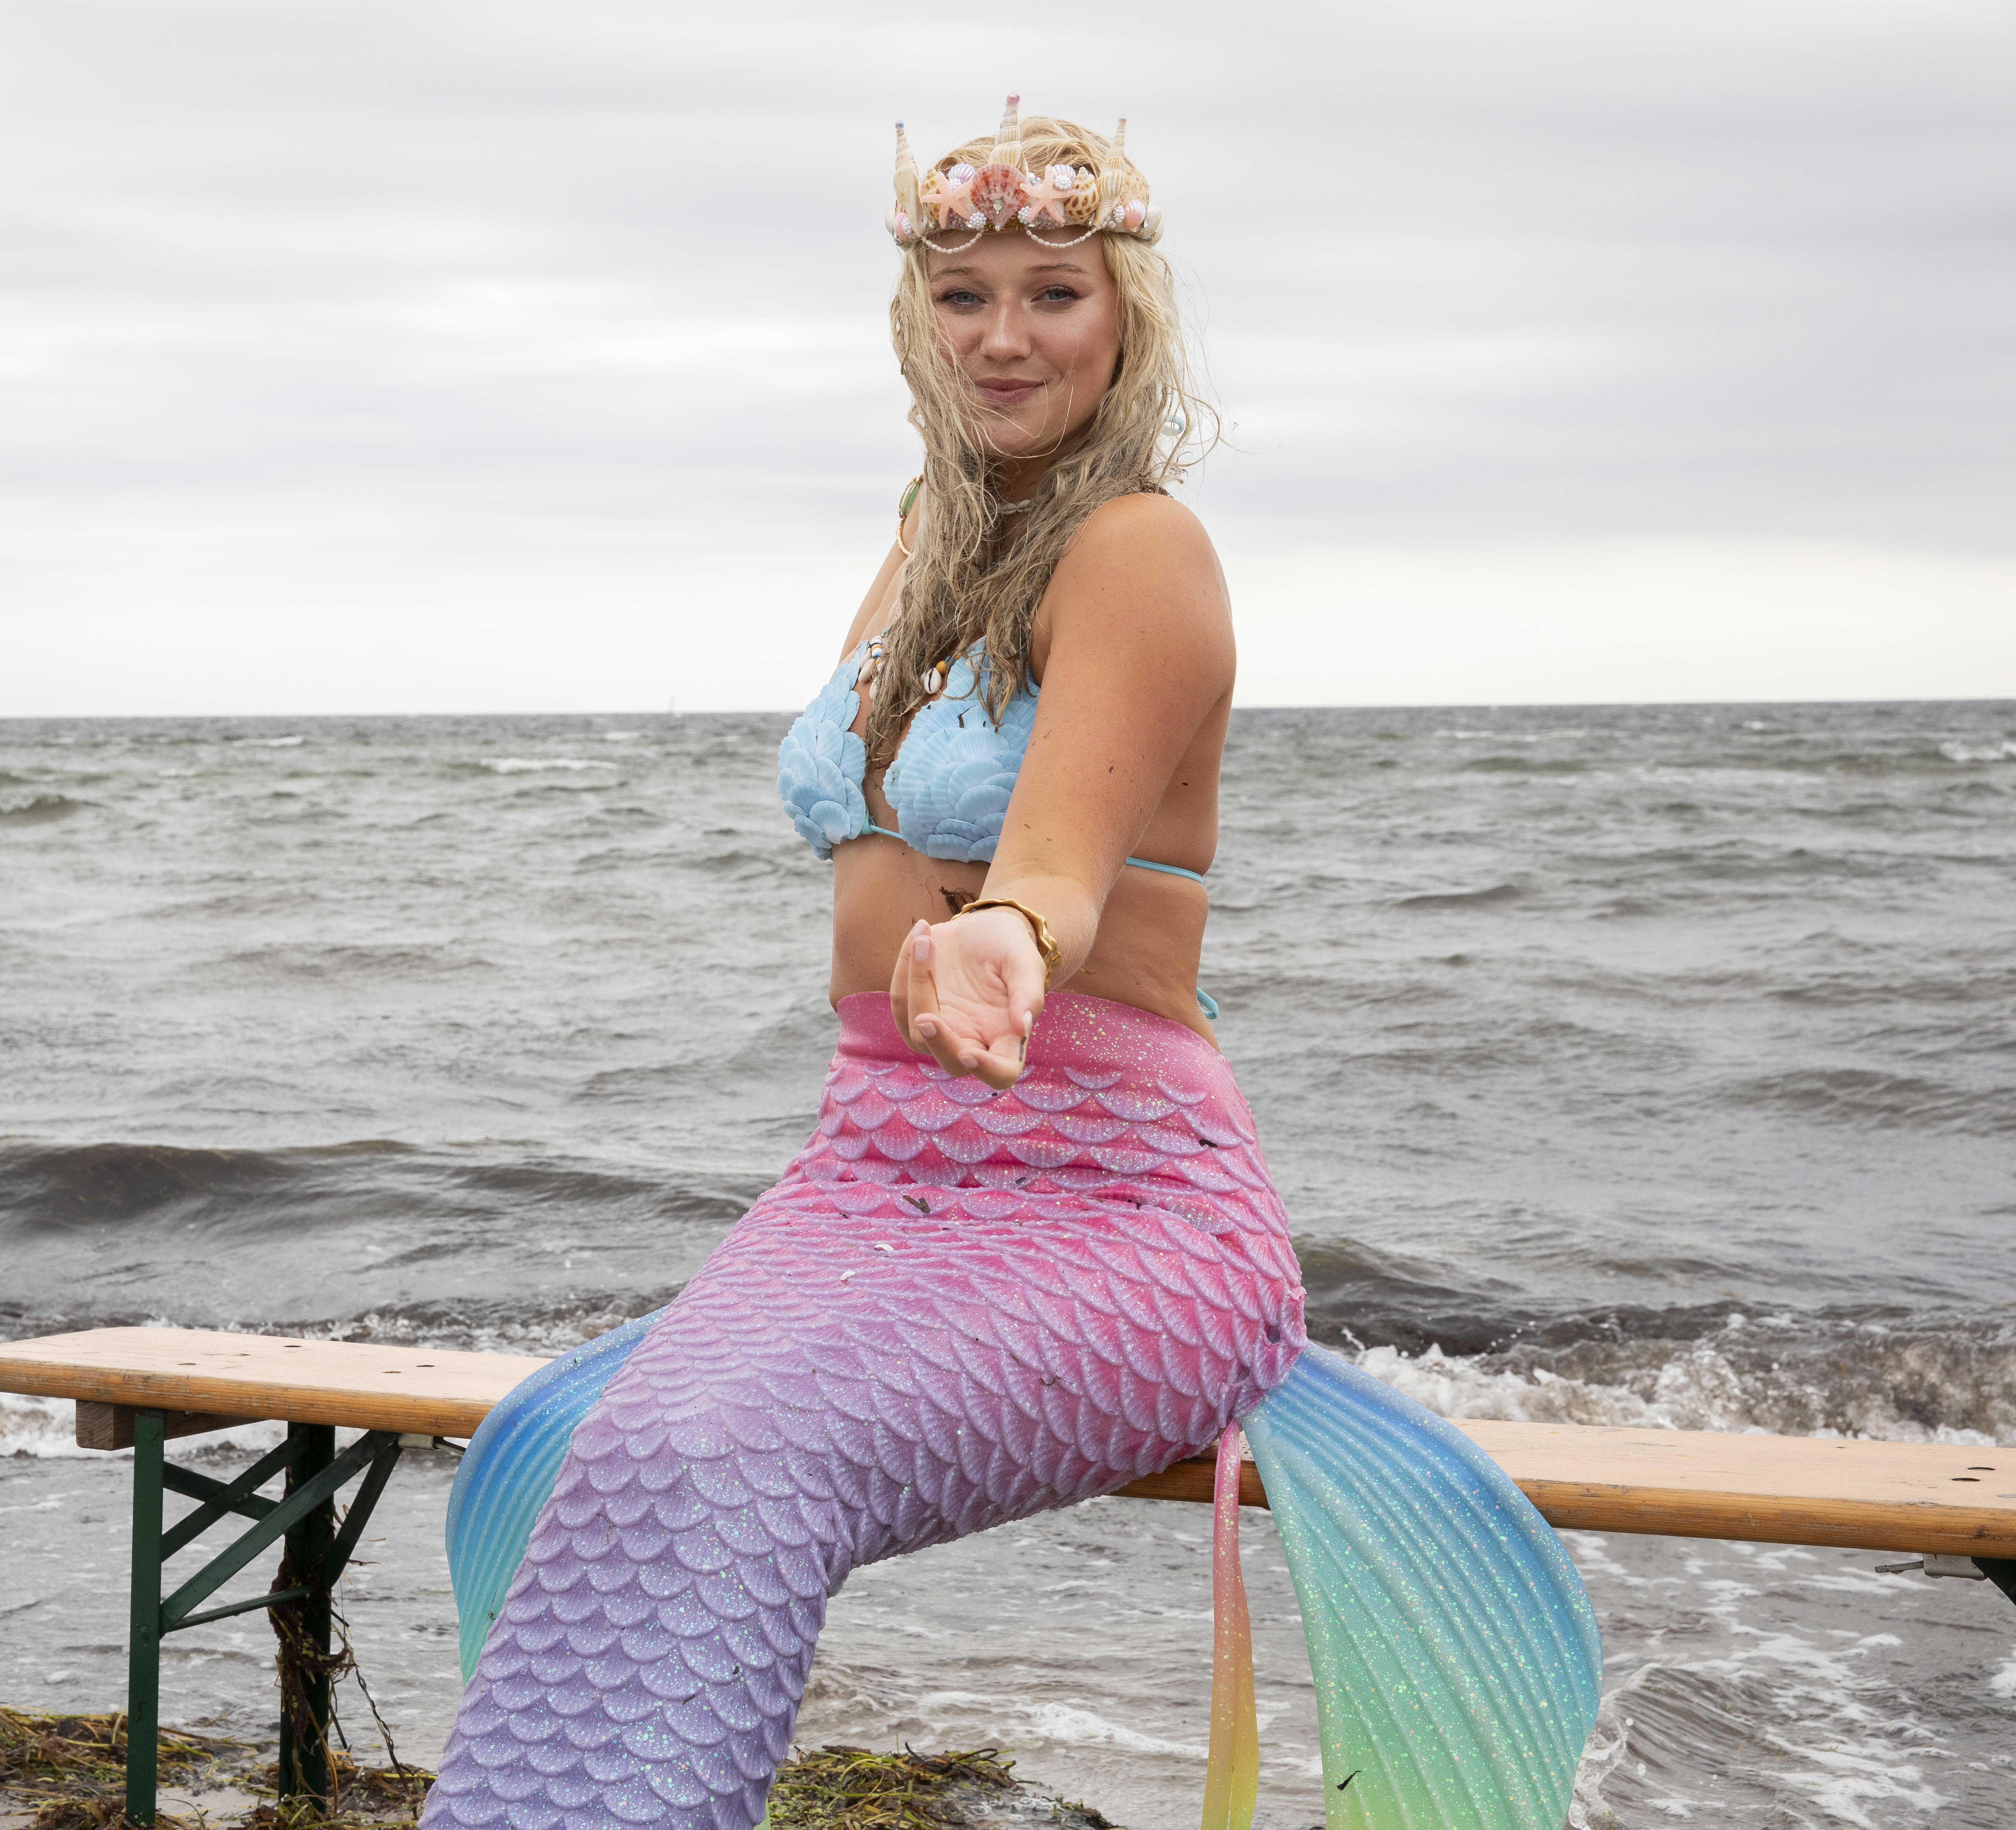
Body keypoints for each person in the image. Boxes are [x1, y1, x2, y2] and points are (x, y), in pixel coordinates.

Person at [422, 100, 1601, 1830]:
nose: (1003, 336)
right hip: (869, 1173)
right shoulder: (930, 531)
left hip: (1121, 1201)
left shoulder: (1139, 546)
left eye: (1053, 293)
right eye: (962, 295)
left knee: (741, 1458)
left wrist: (1004, 932)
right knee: (637, 1452)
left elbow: (1054, 859)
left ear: (1127, 315)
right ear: (916, 316)